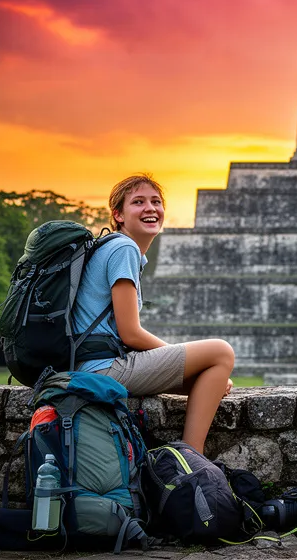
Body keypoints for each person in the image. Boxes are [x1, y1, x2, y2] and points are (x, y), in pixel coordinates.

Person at [73, 173, 234, 454]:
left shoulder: (114, 248)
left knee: (212, 379)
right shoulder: (124, 248)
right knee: (220, 352)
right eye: (138, 202)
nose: (150, 208)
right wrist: (176, 355)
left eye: (156, 201)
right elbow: (130, 333)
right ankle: (191, 457)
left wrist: (197, 369)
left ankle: (190, 456)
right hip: (102, 369)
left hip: (94, 366)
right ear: (118, 215)